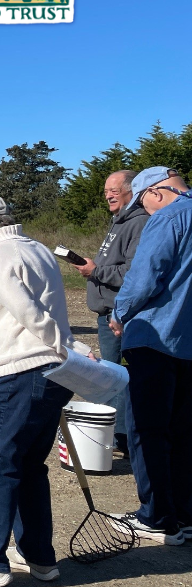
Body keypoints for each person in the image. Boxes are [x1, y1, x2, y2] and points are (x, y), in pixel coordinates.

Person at [0, 193, 85, 587]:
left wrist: (63, 346)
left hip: (23, 369)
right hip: (52, 373)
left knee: (1, 463)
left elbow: (28, 310)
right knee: (28, 466)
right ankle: (39, 557)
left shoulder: (1, 254)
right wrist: (66, 353)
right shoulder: (38, 250)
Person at [110, 167, 192, 545]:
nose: (147, 211)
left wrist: (119, 312)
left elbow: (144, 276)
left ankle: (157, 517)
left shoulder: (168, 219)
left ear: (156, 193)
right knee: (183, 432)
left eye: (144, 203)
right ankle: (185, 516)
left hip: (156, 338)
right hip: (188, 345)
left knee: (147, 428)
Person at [68, 169, 146, 458]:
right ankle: (116, 434)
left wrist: (96, 271)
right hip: (108, 312)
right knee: (111, 373)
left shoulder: (139, 222)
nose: (109, 195)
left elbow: (135, 272)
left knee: (118, 375)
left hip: (121, 313)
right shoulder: (119, 221)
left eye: (114, 190)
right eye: (105, 191)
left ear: (131, 191)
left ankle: (124, 438)